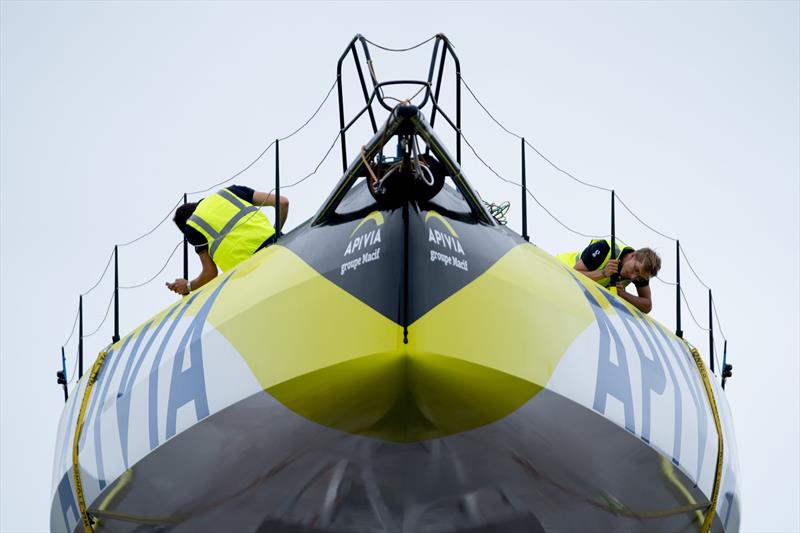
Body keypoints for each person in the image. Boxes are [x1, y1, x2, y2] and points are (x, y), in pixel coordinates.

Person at [166, 185, 288, 295]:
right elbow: (283, 202)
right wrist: (275, 234)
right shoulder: (230, 192)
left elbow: (210, 273)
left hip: (251, 272)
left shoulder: (192, 226)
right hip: (281, 250)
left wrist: (187, 286)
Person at [557, 239, 661, 314]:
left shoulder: (640, 273)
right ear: (633, 255)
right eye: (635, 269)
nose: (633, 276)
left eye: (638, 277)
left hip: (579, 293)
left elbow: (647, 306)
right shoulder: (604, 248)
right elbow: (573, 274)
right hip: (559, 270)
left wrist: (623, 294)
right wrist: (603, 273)